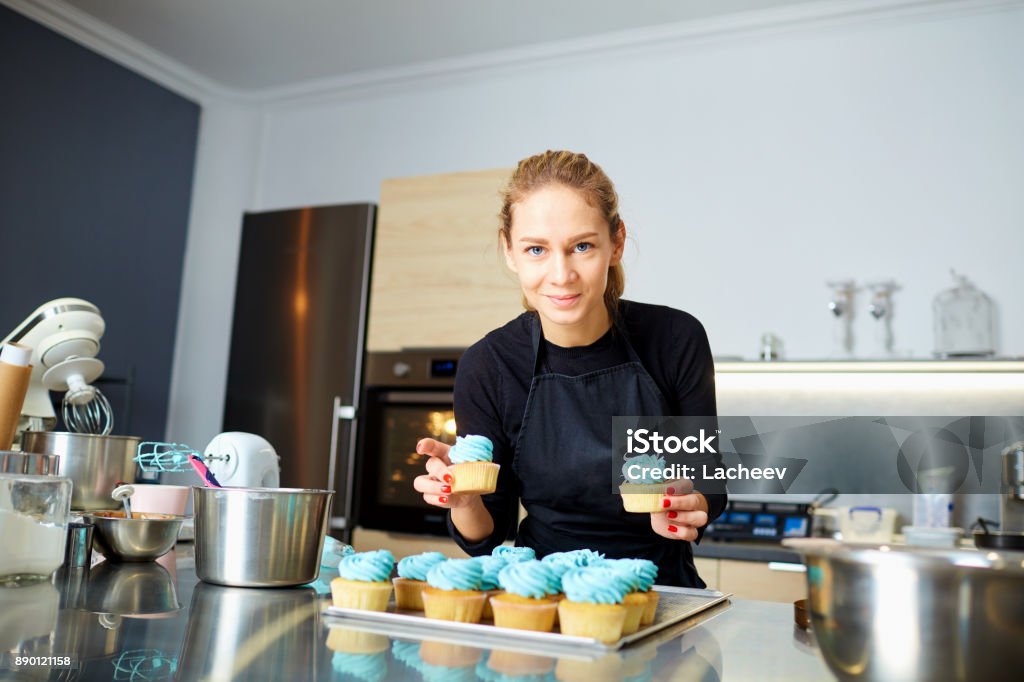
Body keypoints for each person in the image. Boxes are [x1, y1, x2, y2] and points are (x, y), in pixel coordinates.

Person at [413, 150, 726, 587]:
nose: (561, 275)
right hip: (543, 595)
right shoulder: (489, 364)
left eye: (582, 246)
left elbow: (709, 485)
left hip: (663, 592)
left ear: (616, 242)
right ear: (510, 251)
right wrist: (463, 499)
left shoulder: (675, 338)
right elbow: (486, 535)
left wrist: (687, 505)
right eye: (536, 249)